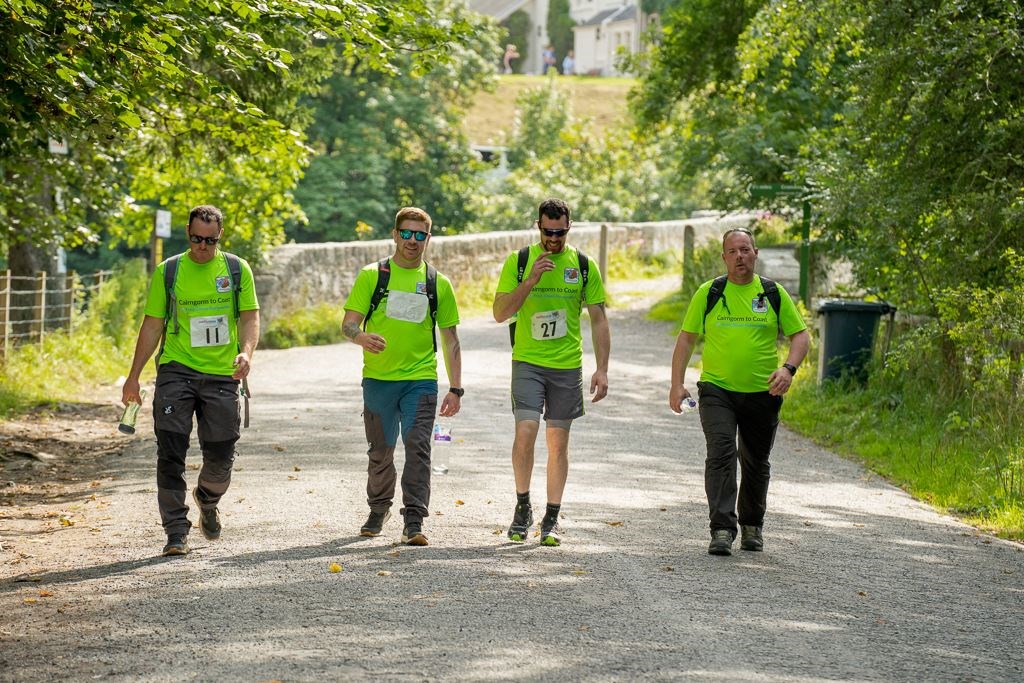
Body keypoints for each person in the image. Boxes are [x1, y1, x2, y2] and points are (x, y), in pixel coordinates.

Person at [122, 204, 260, 557]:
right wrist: (133, 377)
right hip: (176, 369)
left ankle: (207, 499)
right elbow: (152, 325)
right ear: (188, 232)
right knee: (170, 451)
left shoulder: (235, 269)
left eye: (210, 240)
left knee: (221, 455)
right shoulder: (169, 271)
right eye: (197, 238)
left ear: (220, 236)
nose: (202, 246)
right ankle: (176, 530)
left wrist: (247, 353)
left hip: (222, 374)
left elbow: (249, 316)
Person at [668, 227, 810, 556]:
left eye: (745, 250)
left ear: (755, 253)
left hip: (764, 392)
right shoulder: (710, 292)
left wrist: (788, 369)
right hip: (717, 389)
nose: (739, 257)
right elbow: (686, 338)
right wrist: (677, 383)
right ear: (724, 258)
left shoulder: (773, 293)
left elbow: (800, 336)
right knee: (720, 454)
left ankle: (751, 526)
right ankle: (721, 528)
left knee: (756, 461)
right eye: (732, 252)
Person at [492, 198, 610, 546]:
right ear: (538, 226)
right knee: (525, 432)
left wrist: (602, 369)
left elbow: (599, 319)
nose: (554, 239)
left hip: (566, 366)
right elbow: (500, 313)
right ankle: (522, 506)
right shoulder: (520, 261)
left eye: (559, 232)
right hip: (528, 362)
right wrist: (530, 281)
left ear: (569, 227)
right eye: (548, 231)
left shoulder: (583, 265)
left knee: (558, 443)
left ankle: (552, 516)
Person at [342, 207, 462, 547]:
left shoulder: (438, 283)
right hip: (379, 380)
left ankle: (414, 519)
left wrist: (456, 388)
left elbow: (451, 339)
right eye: (406, 233)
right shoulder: (373, 275)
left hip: (420, 380)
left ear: (428, 238)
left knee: (418, 445)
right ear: (395, 235)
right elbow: (349, 323)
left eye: (419, 235)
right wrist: (360, 337)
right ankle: (378, 510)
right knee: (381, 450)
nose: (412, 241)